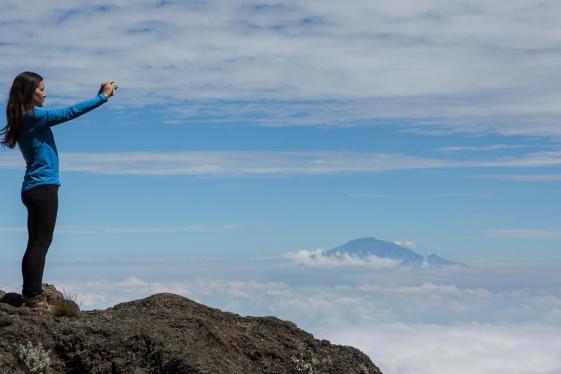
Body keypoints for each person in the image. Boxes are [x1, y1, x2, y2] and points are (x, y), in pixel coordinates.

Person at [1, 71, 118, 309]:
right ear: (29, 92)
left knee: (35, 242)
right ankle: (33, 296)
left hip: (33, 187)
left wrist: (98, 95)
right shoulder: (33, 116)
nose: (45, 93)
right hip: (43, 187)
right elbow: (68, 112)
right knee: (41, 243)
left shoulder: (24, 117)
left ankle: (30, 291)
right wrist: (102, 98)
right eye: (41, 89)